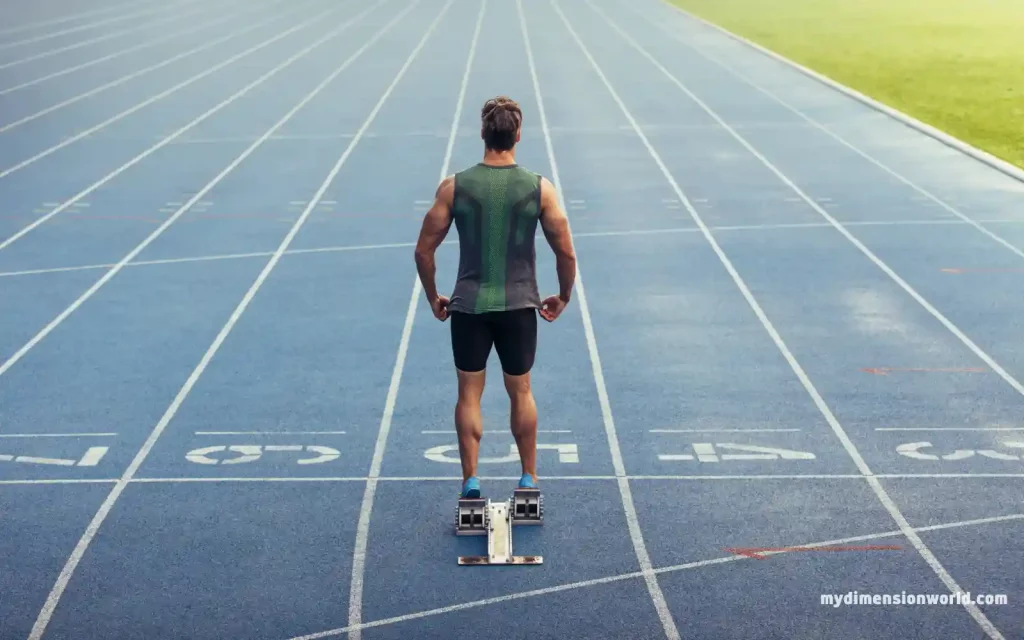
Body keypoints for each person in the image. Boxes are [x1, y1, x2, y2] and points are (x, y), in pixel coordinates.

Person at [413, 96, 576, 500]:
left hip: (469, 306)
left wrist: (434, 296)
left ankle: (470, 481)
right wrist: (563, 296)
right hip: (520, 307)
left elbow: (423, 251)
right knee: (520, 390)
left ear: (483, 134)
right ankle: (528, 479)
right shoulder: (541, 188)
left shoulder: (454, 187)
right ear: (517, 135)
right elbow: (566, 252)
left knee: (469, 393)